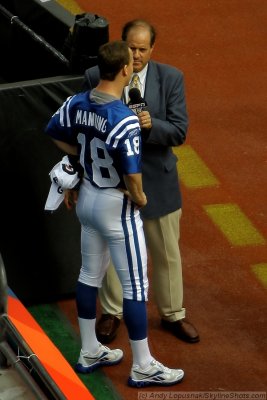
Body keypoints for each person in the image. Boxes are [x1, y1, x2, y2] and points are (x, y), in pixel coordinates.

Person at [45, 40, 184, 388]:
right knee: (135, 285)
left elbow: (54, 132)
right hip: (115, 204)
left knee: (89, 274)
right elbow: (133, 174)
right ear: (125, 69)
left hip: (88, 197)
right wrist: (139, 196)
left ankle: (90, 349)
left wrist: (83, 157)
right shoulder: (124, 118)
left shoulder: (76, 102)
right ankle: (143, 365)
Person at [80, 19, 200, 345]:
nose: (135, 55)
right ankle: (112, 312)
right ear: (122, 44)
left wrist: (151, 126)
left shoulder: (171, 79)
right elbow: (83, 127)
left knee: (165, 252)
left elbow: (179, 130)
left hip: (158, 183)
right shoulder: (95, 77)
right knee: (111, 249)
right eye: (131, 48)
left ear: (152, 49)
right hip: (115, 182)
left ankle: (173, 313)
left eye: (142, 49)